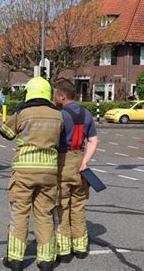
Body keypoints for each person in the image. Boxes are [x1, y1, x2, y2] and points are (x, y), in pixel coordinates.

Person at [0, 77, 63, 271]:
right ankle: (45, 261)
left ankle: (16, 259)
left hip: (25, 171)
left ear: (29, 92)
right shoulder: (58, 115)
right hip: (49, 171)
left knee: (19, 213)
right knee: (45, 214)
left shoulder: (23, 113)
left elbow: (6, 132)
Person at [53, 79, 98, 263]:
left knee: (62, 206)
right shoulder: (87, 114)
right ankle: (80, 247)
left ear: (62, 96)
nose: (53, 96)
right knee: (79, 207)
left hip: (63, 162)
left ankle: (64, 250)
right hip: (81, 161)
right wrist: (85, 162)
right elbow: (93, 141)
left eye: (55, 93)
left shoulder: (60, 116)